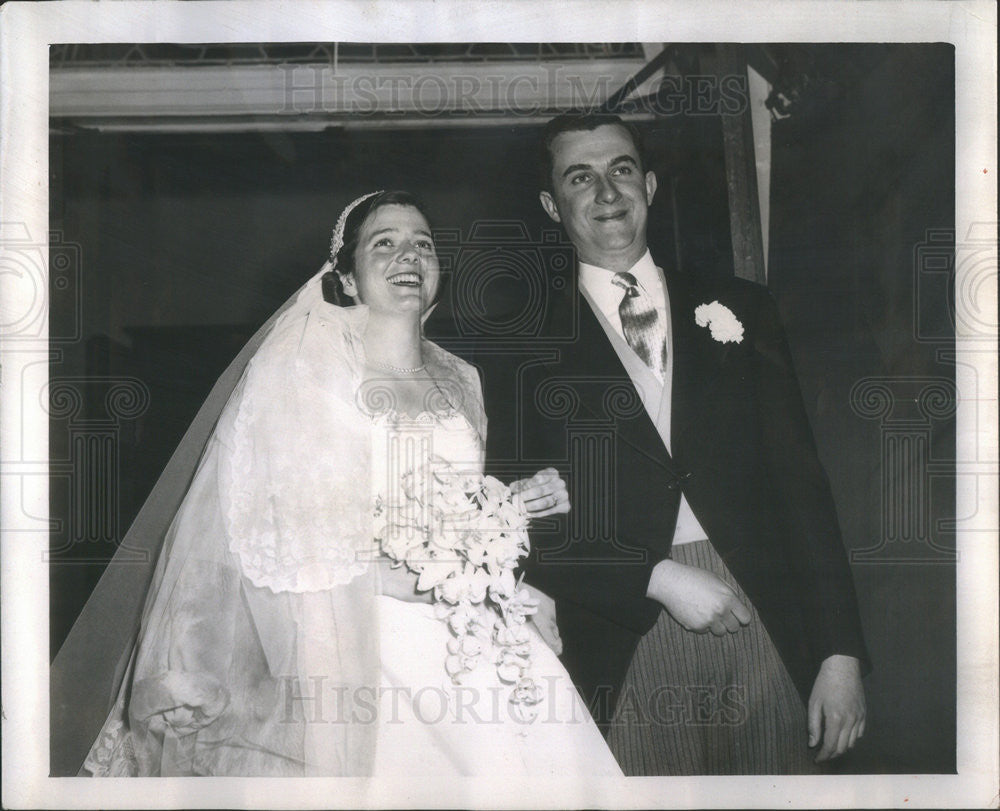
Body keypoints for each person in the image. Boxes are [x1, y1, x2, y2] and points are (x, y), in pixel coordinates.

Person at [59, 190, 623, 777]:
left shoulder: (462, 376)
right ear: (348, 278)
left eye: (424, 244)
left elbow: (450, 502)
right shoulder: (306, 364)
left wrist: (510, 506)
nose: (410, 254)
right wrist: (403, 579)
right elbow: (264, 528)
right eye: (385, 243)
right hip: (359, 635)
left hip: (469, 624)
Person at [476, 112, 871, 775]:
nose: (607, 192)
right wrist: (651, 576)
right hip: (621, 631)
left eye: (622, 169)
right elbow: (515, 523)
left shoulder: (744, 306)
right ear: (552, 204)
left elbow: (801, 485)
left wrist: (841, 652)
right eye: (581, 177)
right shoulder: (517, 347)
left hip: (764, 619)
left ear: (651, 185)